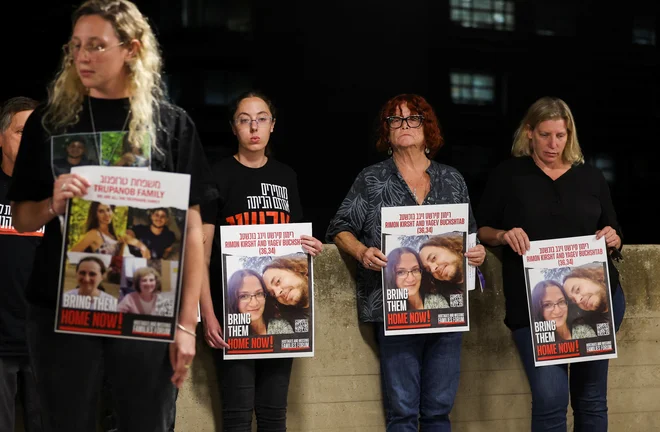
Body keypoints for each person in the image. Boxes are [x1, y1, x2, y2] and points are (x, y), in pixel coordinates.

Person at [7, 1, 217, 430]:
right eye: (76, 45)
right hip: (61, 309)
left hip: (147, 306)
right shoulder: (49, 123)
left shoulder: (170, 125)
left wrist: (186, 326)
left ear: (132, 49)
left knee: (146, 423)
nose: (82, 56)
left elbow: (192, 229)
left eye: (97, 45)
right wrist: (53, 203)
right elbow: (24, 218)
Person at [326, 93, 485, 431]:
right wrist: (361, 252)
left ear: (428, 128)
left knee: (439, 410)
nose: (404, 125)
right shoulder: (371, 179)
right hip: (394, 308)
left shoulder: (452, 179)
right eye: (395, 120)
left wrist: (478, 253)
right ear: (387, 131)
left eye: (413, 118)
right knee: (402, 411)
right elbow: (339, 228)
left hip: (447, 309)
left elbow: (470, 237)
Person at [476, 96, 625, 431]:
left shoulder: (590, 177)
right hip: (536, 304)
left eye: (560, 135)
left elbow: (614, 228)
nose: (553, 144)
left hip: (597, 301)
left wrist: (612, 236)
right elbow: (481, 228)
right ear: (529, 133)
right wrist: (503, 235)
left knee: (591, 399)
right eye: (545, 135)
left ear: (569, 134)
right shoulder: (508, 175)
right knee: (549, 398)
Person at [200, 90, 323, 431]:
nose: (254, 127)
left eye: (261, 118)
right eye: (244, 120)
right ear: (233, 127)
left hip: (281, 315)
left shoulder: (286, 176)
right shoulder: (217, 175)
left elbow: (293, 242)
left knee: (273, 415)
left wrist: (310, 246)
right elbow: (201, 250)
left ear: (272, 126)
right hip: (232, 313)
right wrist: (208, 315)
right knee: (237, 415)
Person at [0, 97, 43, 432]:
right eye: (19, 132)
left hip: (43, 340)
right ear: (1, 137)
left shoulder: (54, 196)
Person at [226, 269, 294, 335]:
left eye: (259, 294)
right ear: (233, 300)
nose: (254, 303)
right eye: (244, 296)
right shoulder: (229, 334)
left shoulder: (281, 326)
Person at [384, 247, 449, 310]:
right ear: (391, 276)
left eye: (415, 270)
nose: (411, 278)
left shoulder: (436, 301)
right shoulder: (386, 308)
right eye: (401, 272)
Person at [531, 280, 596, 341]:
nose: (558, 311)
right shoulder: (538, 341)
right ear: (538, 310)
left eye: (561, 301)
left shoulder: (583, 330)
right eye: (547, 305)